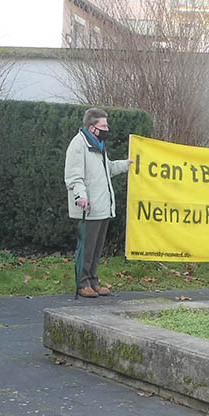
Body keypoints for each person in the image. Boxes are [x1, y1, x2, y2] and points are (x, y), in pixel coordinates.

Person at [64, 108, 131, 298]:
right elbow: (73, 176)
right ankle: (82, 283)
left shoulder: (98, 145)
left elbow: (106, 169)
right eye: (103, 126)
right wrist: (81, 197)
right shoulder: (78, 145)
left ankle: (93, 280)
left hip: (103, 207)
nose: (107, 129)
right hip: (89, 207)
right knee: (86, 247)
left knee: (96, 248)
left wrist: (126, 165)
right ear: (92, 127)